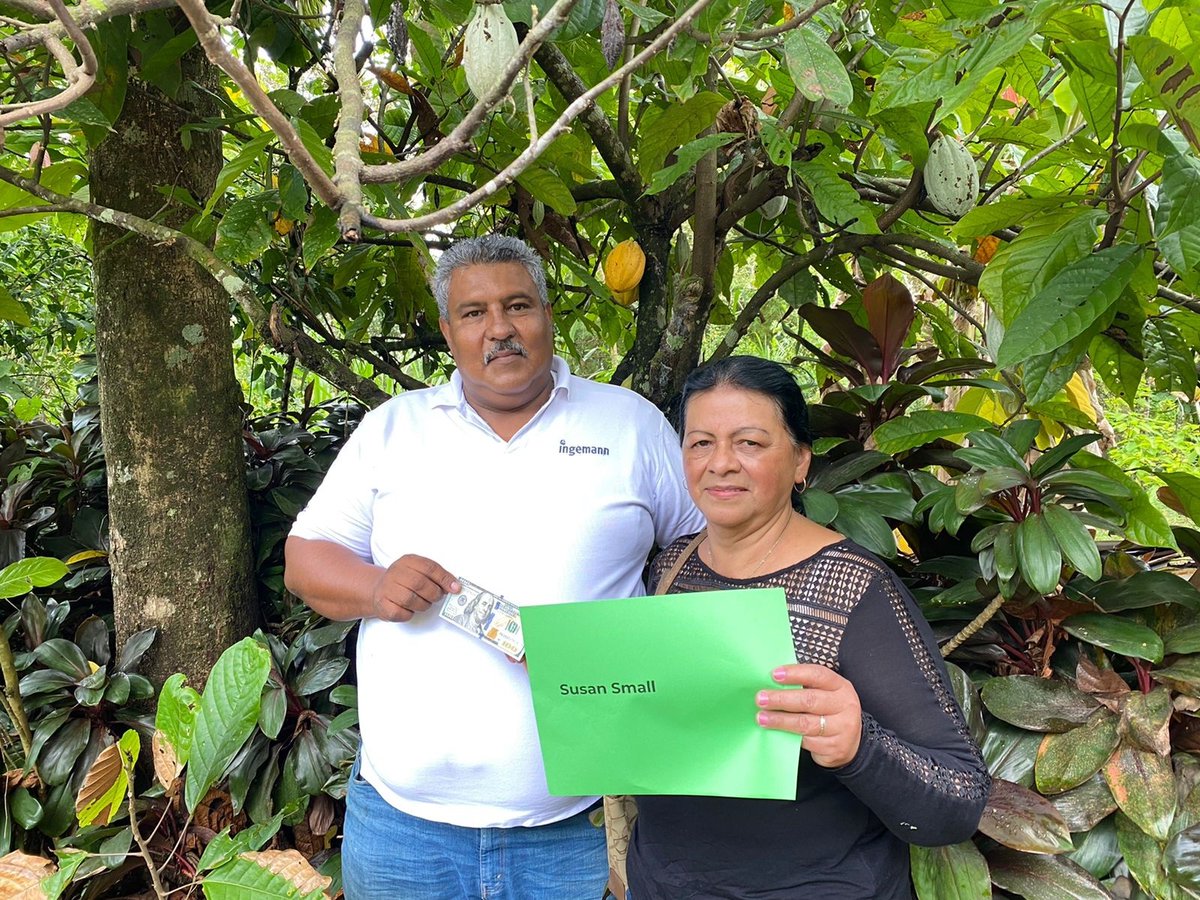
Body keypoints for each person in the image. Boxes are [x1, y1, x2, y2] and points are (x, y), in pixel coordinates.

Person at [283, 234, 702, 900]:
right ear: (448, 332)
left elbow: (706, 559)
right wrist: (374, 585)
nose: (500, 329)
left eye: (518, 306)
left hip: (585, 826)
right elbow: (304, 560)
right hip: (403, 830)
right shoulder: (394, 430)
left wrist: (637, 652)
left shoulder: (632, 426)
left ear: (548, 315)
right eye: (474, 313)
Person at [627, 356, 990, 900]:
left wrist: (857, 744)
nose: (720, 463)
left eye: (749, 442)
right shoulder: (671, 567)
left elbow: (960, 798)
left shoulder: (853, 587)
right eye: (700, 443)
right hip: (665, 882)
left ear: (800, 461)